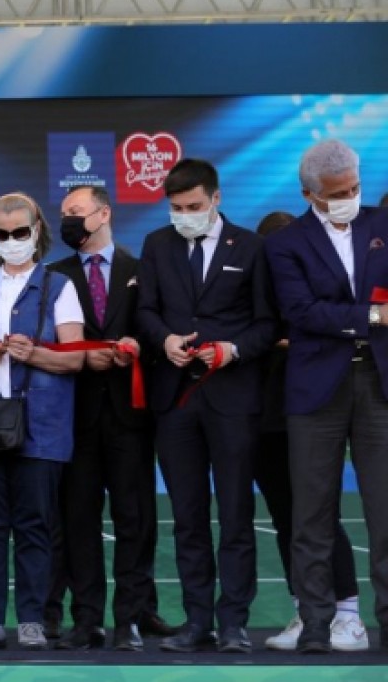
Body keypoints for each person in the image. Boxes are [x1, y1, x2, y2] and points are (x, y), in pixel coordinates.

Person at [136, 158, 276, 654]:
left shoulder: (251, 247)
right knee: (187, 516)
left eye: (193, 205)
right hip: (175, 400)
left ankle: (234, 623)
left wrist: (231, 349)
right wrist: (165, 339)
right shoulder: (157, 244)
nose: (184, 215)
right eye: (176, 207)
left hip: (232, 397)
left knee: (236, 514)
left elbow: (267, 323)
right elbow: (145, 310)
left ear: (216, 198)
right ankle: (197, 622)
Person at [0, 192, 85, 651]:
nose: (11, 240)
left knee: (34, 525)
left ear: (36, 230)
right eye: (2, 234)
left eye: (19, 232)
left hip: (41, 426)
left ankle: (31, 619)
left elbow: (75, 358)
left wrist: (35, 353)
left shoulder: (59, 287)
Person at [264, 139, 385, 653]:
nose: (349, 199)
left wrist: (347, 318)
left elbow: (323, 312)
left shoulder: (383, 225)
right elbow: (301, 312)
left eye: (354, 188)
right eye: (337, 194)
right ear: (308, 193)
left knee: (385, 512)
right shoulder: (285, 244)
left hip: (379, 382)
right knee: (312, 515)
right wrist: (373, 316)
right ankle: (315, 624)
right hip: (316, 389)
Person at [46, 186, 160, 651]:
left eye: (76, 212)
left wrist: (138, 346)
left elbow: (157, 328)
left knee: (135, 518)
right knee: (78, 521)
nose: (68, 221)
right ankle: (86, 619)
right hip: (75, 415)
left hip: (130, 414)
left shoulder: (143, 270)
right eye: (63, 214)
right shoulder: (54, 276)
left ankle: (131, 617)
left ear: (104, 213)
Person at [254, 208, 366, 652]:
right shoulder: (261, 293)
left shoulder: (323, 291)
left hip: (316, 410)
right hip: (266, 417)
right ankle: (306, 610)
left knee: (320, 515)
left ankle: (349, 614)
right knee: (288, 518)